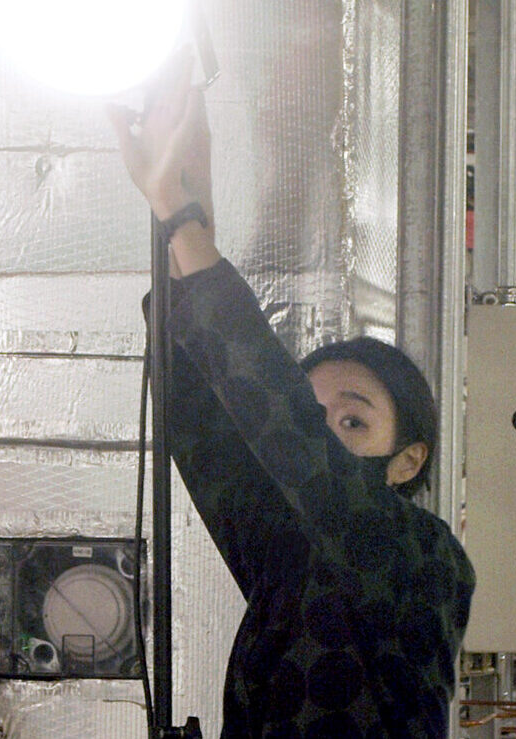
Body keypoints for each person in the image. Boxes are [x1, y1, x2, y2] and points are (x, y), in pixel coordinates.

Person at [109, 52, 475, 739]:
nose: (325, 429)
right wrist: (187, 218)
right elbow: (202, 422)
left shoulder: (418, 554)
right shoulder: (288, 554)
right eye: (316, 411)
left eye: (353, 419)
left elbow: (284, 425)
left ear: (406, 459)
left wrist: (180, 217)